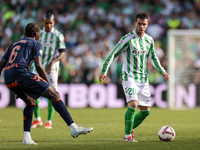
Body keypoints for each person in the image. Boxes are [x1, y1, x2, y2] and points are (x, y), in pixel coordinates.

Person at [0, 22, 93, 145]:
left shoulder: (14, 44)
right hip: (21, 74)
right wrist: (48, 84)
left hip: (8, 77)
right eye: (38, 34)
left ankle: (26, 138)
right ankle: (74, 128)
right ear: (36, 34)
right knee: (54, 94)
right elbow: (38, 65)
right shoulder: (35, 43)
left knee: (30, 101)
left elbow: (1, 64)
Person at [99, 12, 169, 142]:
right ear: (135, 23)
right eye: (139, 24)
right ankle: (127, 136)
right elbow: (113, 53)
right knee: (133, 104)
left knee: (145, 111)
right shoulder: (127, 39)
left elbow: (153, 57)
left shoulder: (149, 40)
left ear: (147, 25)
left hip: (143, 79)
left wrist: (162, 71)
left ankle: (129, 128)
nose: (141, 26)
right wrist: (104, 70)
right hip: (129, 77)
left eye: (144, 24)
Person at [31, 12, 66, 129]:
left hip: (52, 70)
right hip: (37, 67)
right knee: (32, 93)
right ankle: (37, 119)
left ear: (54, 23)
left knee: (52, 93)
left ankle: (49, 121)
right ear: (43, 22)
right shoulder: (38, 34)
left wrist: (52, 62)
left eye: (50, 23)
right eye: (46, 23)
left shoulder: (58, 35)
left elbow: (63, 53)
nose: (48, 26)